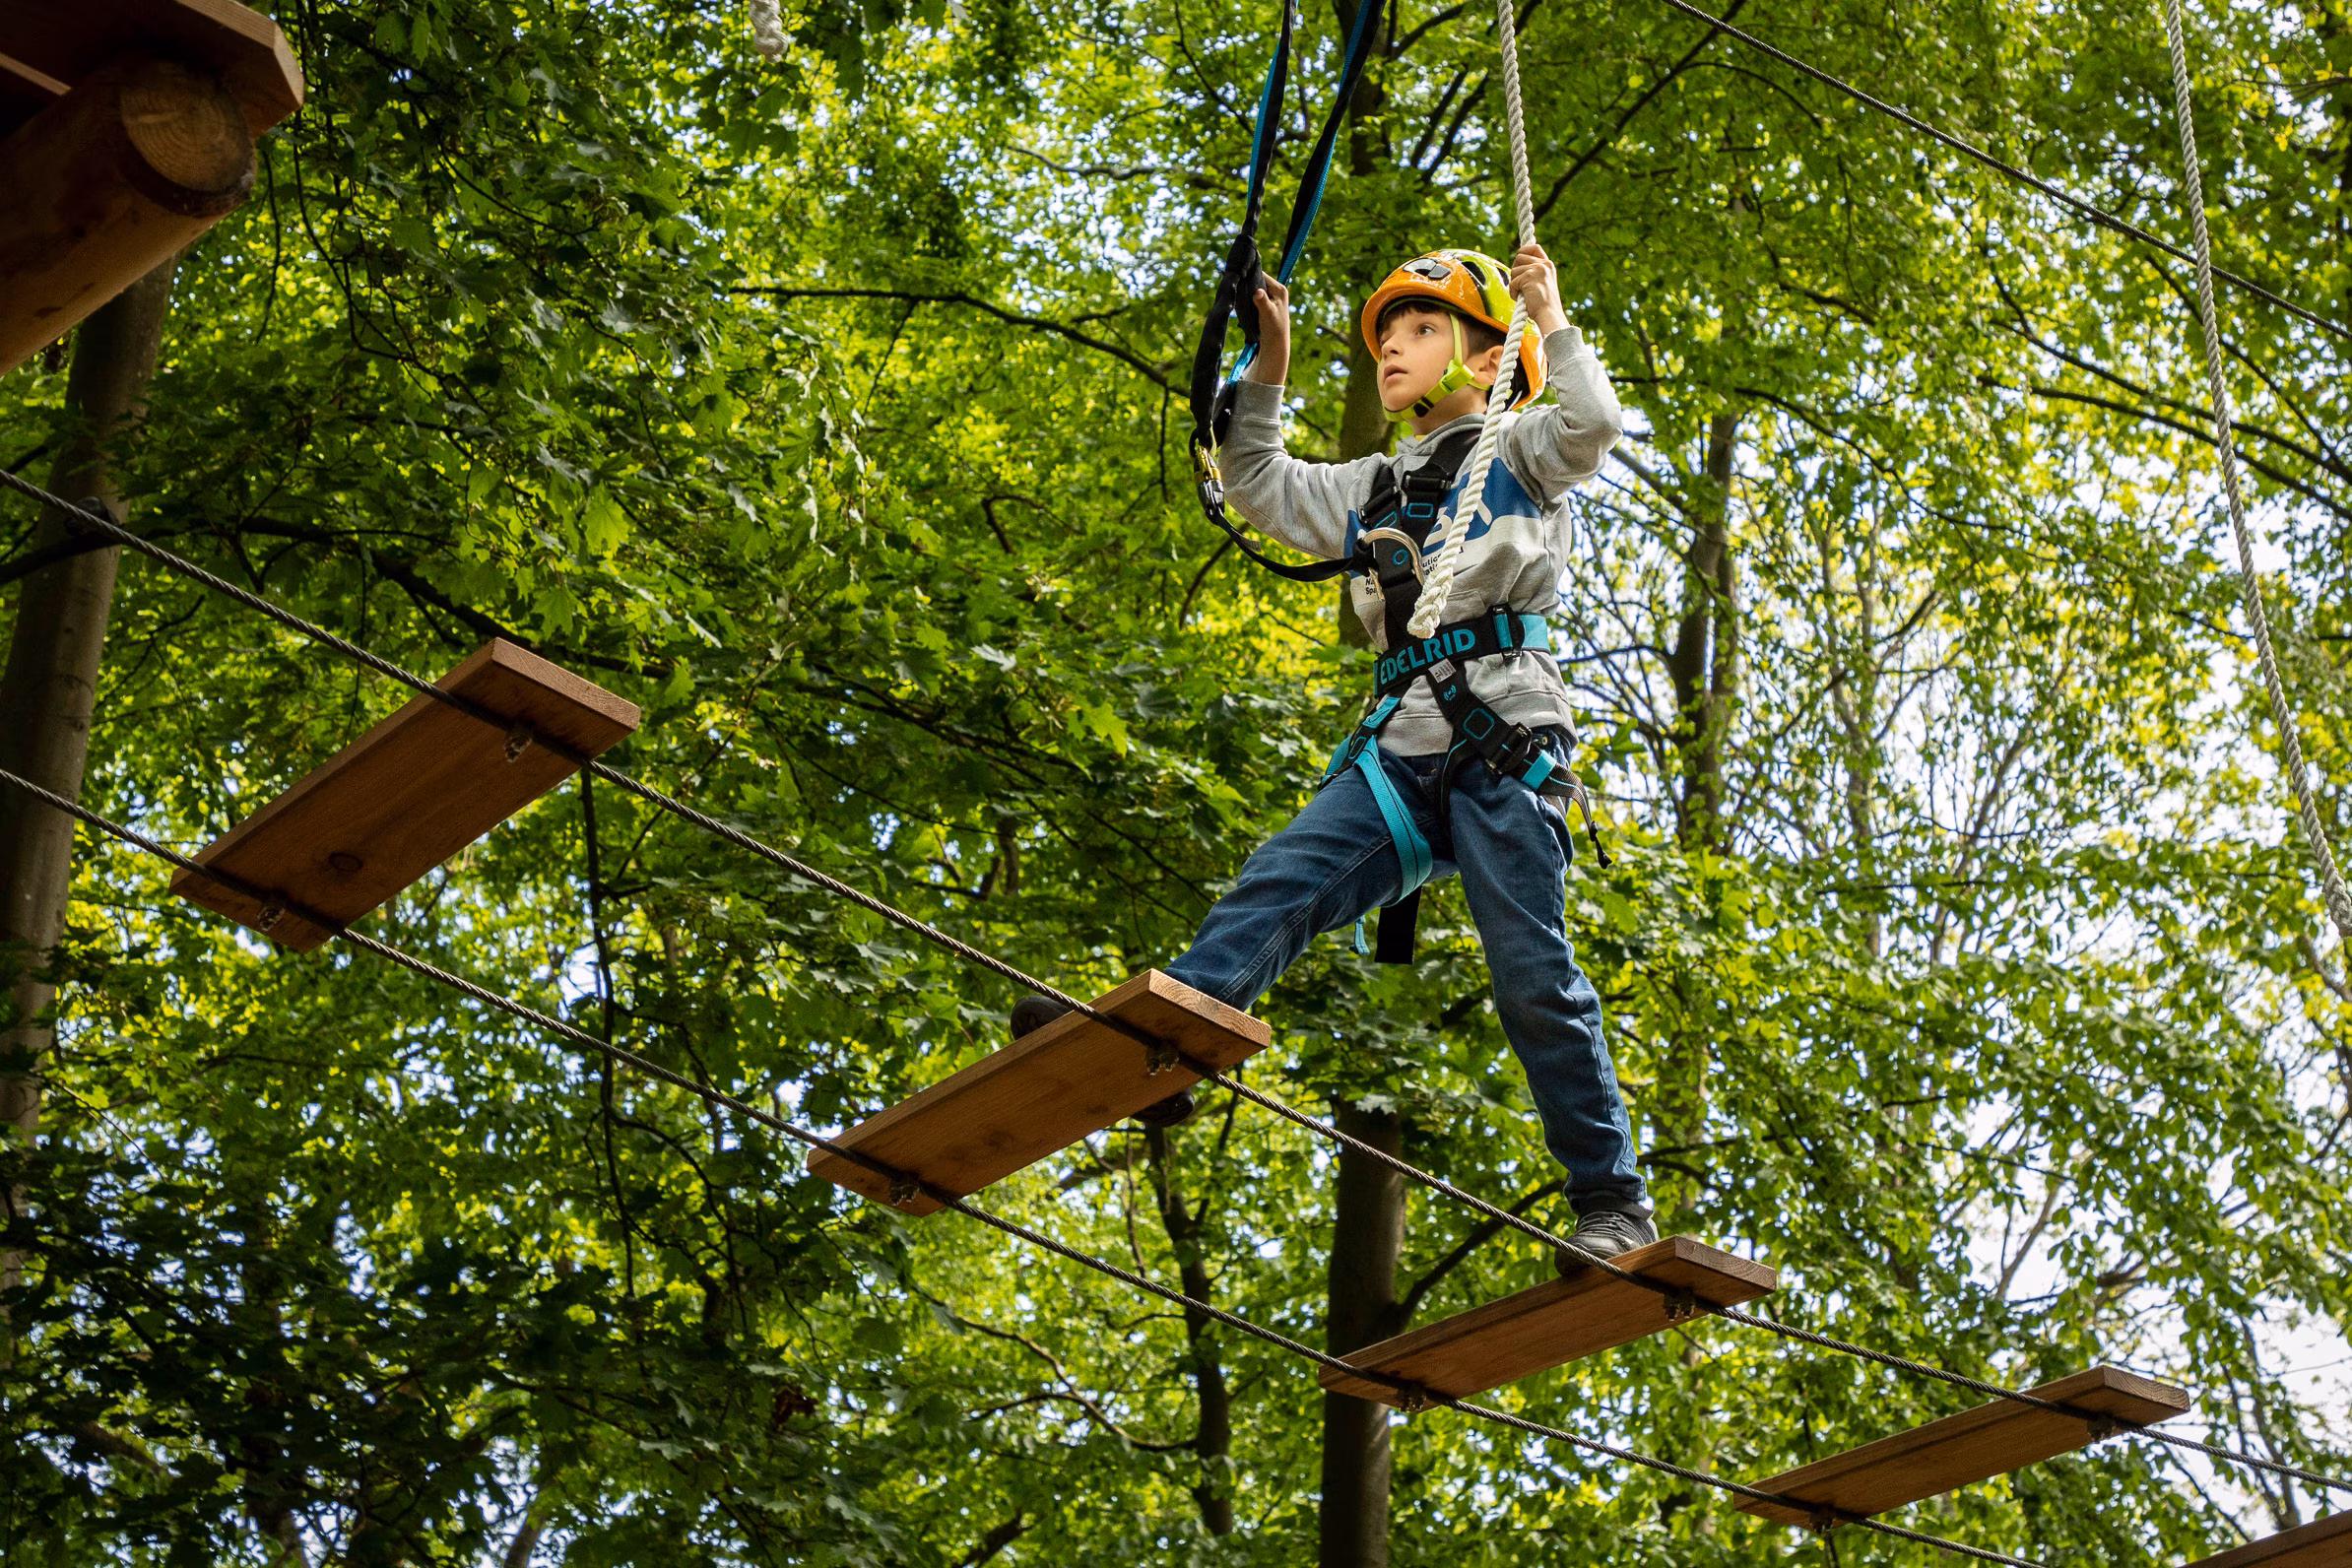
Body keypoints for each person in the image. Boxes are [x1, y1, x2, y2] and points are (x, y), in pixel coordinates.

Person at [1017, 244, 1654, 1267]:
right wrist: (1267, 361)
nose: (1392, 351)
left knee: (1533, 973)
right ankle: (1174, 1042)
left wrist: (1551, 308)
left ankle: (1611, 1200)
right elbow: (1260, 483)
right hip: (1399, 746)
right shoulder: (1372, 483)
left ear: (1489, 362)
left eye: (1420, 331)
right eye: (1385, 339)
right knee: (1280, 881)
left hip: (1505, 738)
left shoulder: (1523, 448)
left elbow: (1594, 423)